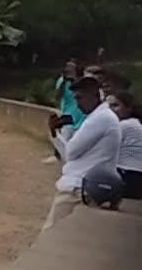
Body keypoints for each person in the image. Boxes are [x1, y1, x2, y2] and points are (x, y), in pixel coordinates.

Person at [45, 75, 121, 231]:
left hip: (77, 188)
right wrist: (55, 134)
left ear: (93, 95)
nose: (77, 104)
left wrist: (56, 134)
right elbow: (69, 154)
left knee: (51, 233)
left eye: (79, 98)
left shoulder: (99, 119)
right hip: (85, 185)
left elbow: (70, 153)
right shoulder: (101, 117)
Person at [54, 59, 87, 131]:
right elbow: (57, 97)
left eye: (71, 67)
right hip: (67, 117)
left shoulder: (83, 80)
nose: (69, 69)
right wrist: (64, 82)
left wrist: (74, 80)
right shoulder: (61, 81)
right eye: (67, 66)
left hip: (81, 117)